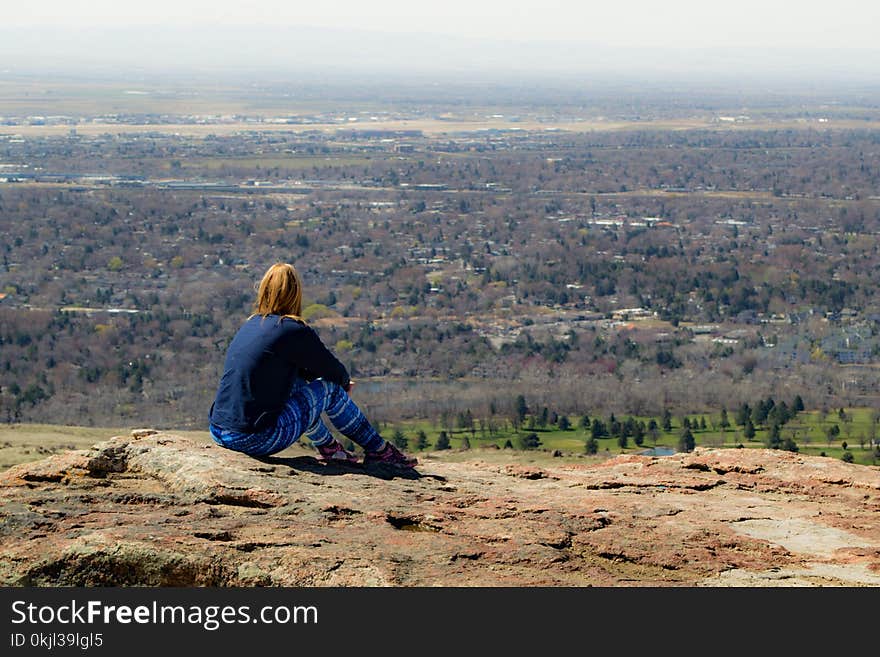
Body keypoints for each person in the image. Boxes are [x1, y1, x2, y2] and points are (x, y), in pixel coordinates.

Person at [208, 262, 417, 469]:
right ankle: (380, 451)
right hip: (255, 438)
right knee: (331, 390)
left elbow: (300, 373)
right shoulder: (291, 329)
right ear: (295, 293)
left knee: (298, 384)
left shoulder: (252, 324)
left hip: (219, 430)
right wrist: (344, 384)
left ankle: (331, 449)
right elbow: (332, 370)